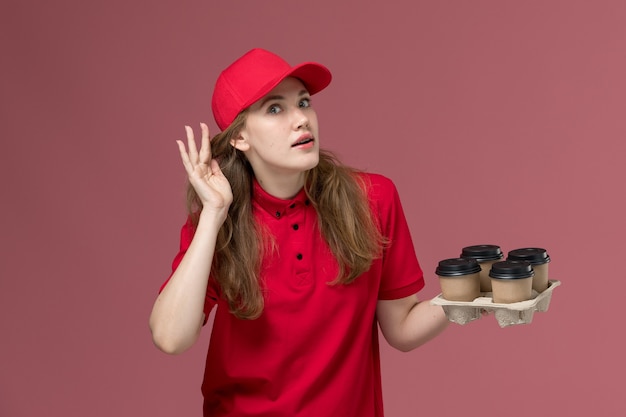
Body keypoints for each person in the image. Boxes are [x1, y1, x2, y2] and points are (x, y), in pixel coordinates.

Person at [149, 48, 450, 417]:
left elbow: (401, 328)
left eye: (304, 103)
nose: (301, 120)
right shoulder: (216, 225)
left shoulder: (374, 200)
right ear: (240, 137)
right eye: (275, 109)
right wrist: (212, 215)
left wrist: (468, 298)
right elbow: (170, 338)